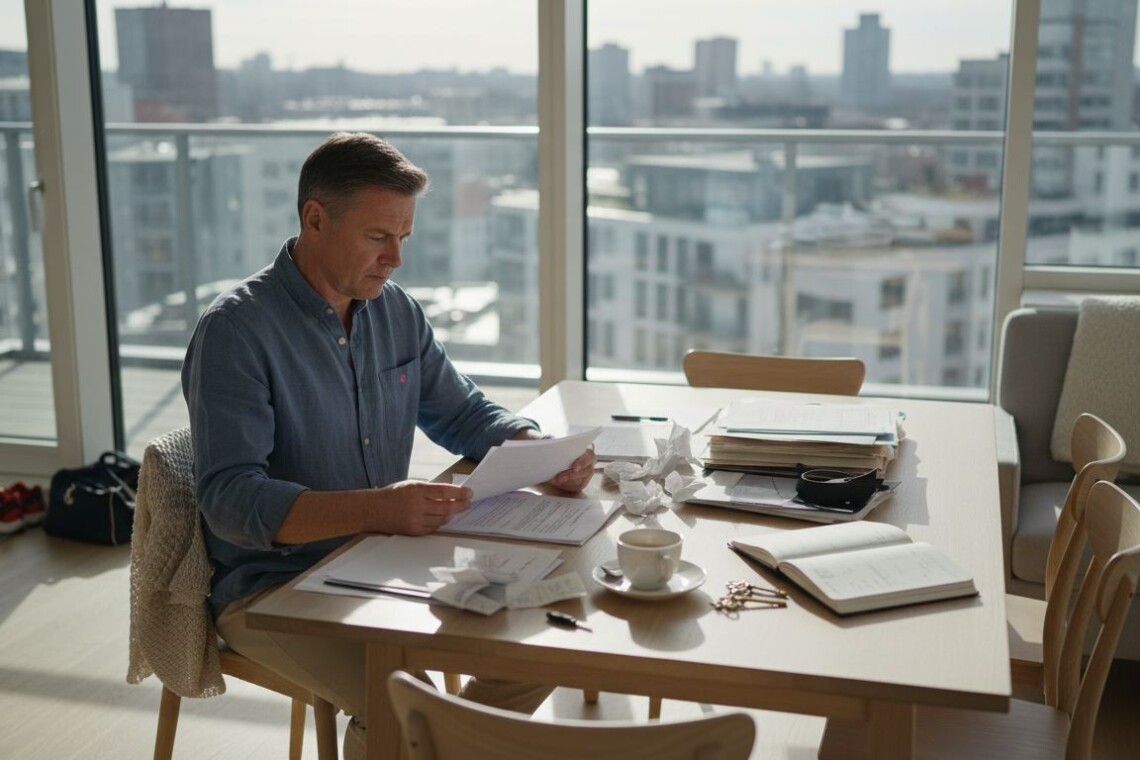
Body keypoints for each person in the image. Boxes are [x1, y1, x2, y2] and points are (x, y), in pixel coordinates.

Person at [181, 131, 595, 758]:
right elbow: (231, 501)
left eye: (404, 236)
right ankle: (420, 737)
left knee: (555, 629)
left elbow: (461, 410)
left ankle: (431, 739)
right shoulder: (235, 331)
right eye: (379, 236)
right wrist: (379, 508)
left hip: (386, 561)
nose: (396, 258)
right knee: (407, 713)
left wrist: (533, 444)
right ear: (314, 219)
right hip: (274, 588)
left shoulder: (395, 310)